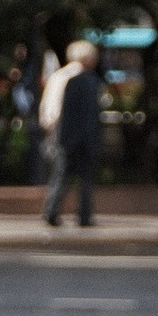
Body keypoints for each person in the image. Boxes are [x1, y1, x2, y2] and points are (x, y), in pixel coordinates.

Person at [41, 39, 103, 227]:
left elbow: (48, 110)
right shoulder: (87, 79)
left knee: (60, 175)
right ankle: (84, 215)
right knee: (84, 177)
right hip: (80, 134)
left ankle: (51, 211)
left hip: (60, 133)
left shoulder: (58, 76)